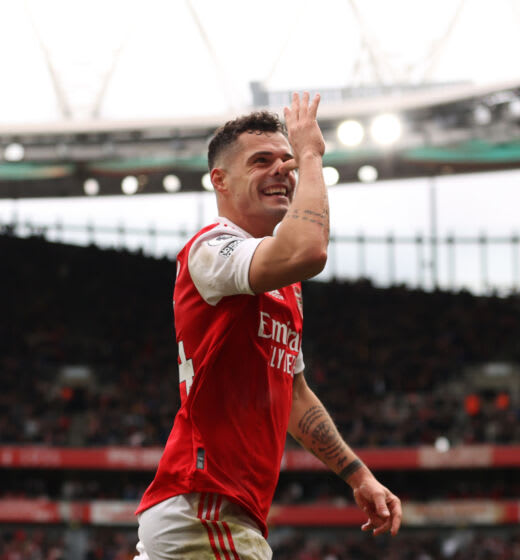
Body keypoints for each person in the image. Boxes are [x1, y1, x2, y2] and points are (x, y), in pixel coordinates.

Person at [134, 92, 402, 560]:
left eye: (288, 160)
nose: (284, 169)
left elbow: (293, 394)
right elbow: (308, 251)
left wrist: (359, 475)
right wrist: (312, 153)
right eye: (262, 161)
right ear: (220, 179)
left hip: (223, 511)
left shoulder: (284, 285)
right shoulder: (212, 249)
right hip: (206, 506)